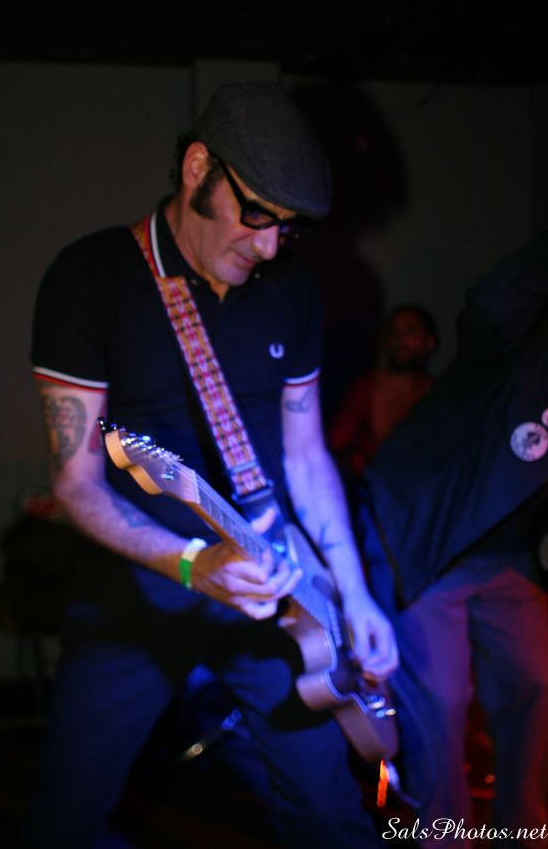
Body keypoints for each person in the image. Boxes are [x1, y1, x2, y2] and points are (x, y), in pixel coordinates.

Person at [23, 81, 398, 849]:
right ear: (198, 168)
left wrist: (353, 592)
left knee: (331, 816)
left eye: (288, 228)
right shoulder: (89, 279)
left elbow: (305, 455)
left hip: (271, 586)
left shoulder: (291, 289)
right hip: (135, 591)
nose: (269, 248)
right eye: (257, 214)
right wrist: (196, 566)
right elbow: (76, 482)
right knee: (64, 822)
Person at [360, 228, 548, 846]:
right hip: (427, 538)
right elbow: (495, 302)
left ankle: (523, 831)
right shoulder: (520, 342)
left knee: (537, 684)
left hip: (508, 552)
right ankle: (444, 837)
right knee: (442, 703)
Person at [328, 304, 437, 478]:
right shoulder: (366, 388)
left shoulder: (438, 393)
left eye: (410, 331)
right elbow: (334, 445)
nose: (400, 339)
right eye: (394, 332)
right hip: (372, 486)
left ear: (429, 342)